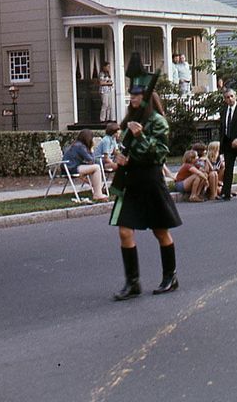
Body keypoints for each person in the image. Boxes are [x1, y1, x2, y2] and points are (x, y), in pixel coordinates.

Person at [110, 53, 182, 300]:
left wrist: (141, 137)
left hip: (151, 180)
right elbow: (125, 151)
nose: (132, 99)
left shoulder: (158, 122)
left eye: (137, 96)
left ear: (146, 97)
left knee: (160, 232)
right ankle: (133, 282)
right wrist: (120, 158)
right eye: (131, 96)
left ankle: (170, 276)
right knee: (124, 231)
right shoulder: (129, 121)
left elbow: (160, 154)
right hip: (132, 180)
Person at [63, 129, 107, 201]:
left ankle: (98, 190)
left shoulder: (77, 144)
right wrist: (92, 149)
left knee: (94, 168)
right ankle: (98, 194)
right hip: (71, 168)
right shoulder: (80, 146)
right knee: (96, 168)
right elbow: (91, 159)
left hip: (69, 167)